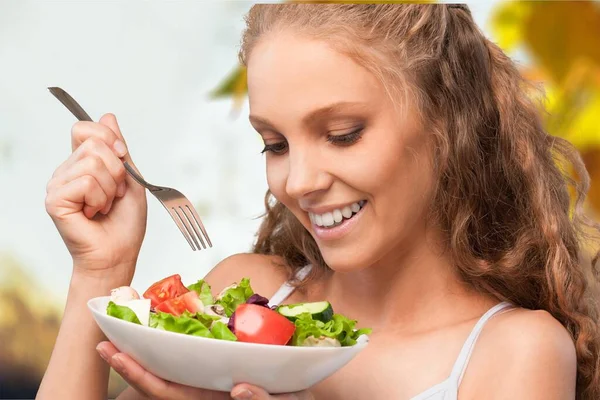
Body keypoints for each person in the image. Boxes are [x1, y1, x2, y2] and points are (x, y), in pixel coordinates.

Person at [37, 3, 600, 400]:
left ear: (446, 127)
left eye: (342, 133)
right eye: (275, 144)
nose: (299, 181)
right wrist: (100, 269)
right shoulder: (245, 298)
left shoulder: (511, 352)